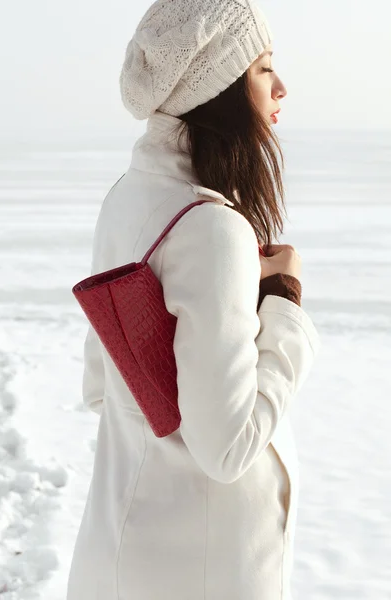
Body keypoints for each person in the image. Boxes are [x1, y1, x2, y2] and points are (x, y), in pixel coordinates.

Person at [66, 1, 321, 599]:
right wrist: (283, 305)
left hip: (122, 546)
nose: (281, 86)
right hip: (197, 571)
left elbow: (100, 387)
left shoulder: (130, 196)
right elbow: (227, 450)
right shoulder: (210, 228)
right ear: (219, 89)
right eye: (262, 68)